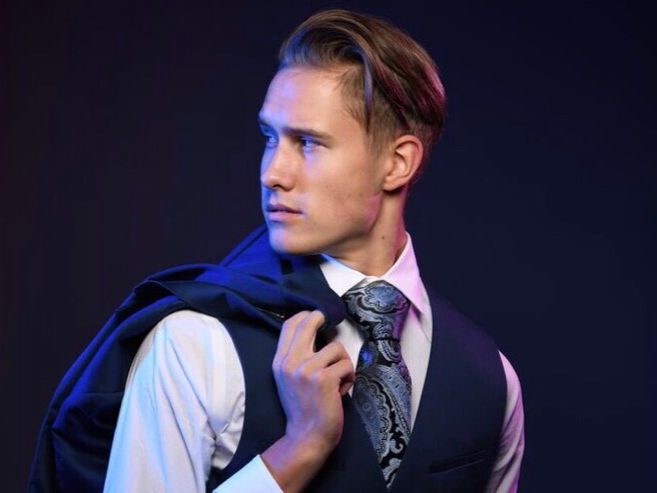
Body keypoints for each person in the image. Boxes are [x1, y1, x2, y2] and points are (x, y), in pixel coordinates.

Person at [30, 9, 524, 493]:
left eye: (308, 143)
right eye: (270, 137)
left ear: (397, 163)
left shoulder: (491, 380)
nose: (273, 173)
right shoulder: (194, 343)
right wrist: (300, 448)